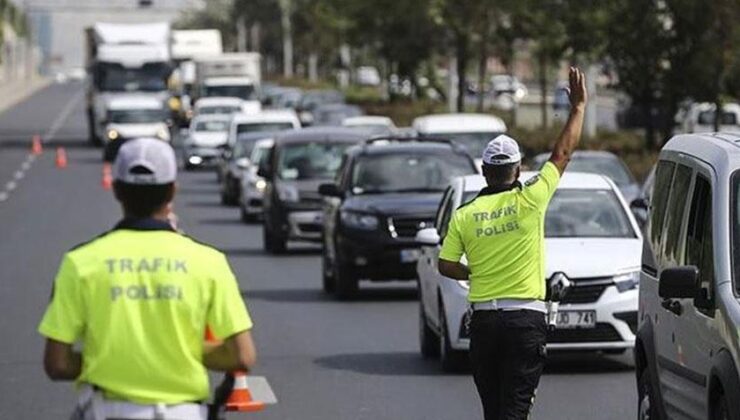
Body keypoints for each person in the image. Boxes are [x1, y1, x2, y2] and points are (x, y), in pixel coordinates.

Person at [38, 138, 256, 420]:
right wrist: (177, 352)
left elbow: (57, 364)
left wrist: (110, 359)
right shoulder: (208, 262)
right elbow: (242, 356)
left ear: (116, 190)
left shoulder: (80, 263)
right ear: (172, 191)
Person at [438, 67, 587, 420]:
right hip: (525, 321)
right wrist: (578, 109)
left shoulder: (465, 213)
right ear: (518, 170)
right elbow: (562, 154)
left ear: (485, 171)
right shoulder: (532, 198)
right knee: (515, 411)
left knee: (494, 412)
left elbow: (445, 264)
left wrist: (473, 271)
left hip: (485, 324)